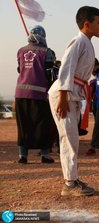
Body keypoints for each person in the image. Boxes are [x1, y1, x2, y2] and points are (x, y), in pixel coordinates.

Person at [49, 6, 99, 196]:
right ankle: (70, 185)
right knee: (68, 139)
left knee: (72, 139)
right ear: (87, 24)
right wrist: (62, 98)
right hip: (64, 94)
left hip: (73, 93)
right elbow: (66, 68)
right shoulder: (78, 41)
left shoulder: (87, 42)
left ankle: (72, 179)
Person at [15, 25, 56, 164]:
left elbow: (20, 69)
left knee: (23, 125)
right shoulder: (47, 52)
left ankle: (23, 156)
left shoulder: (20, 51)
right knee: (43, 125)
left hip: (20, 93)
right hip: (39, 94)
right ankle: (45, 155)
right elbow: (50, 73)